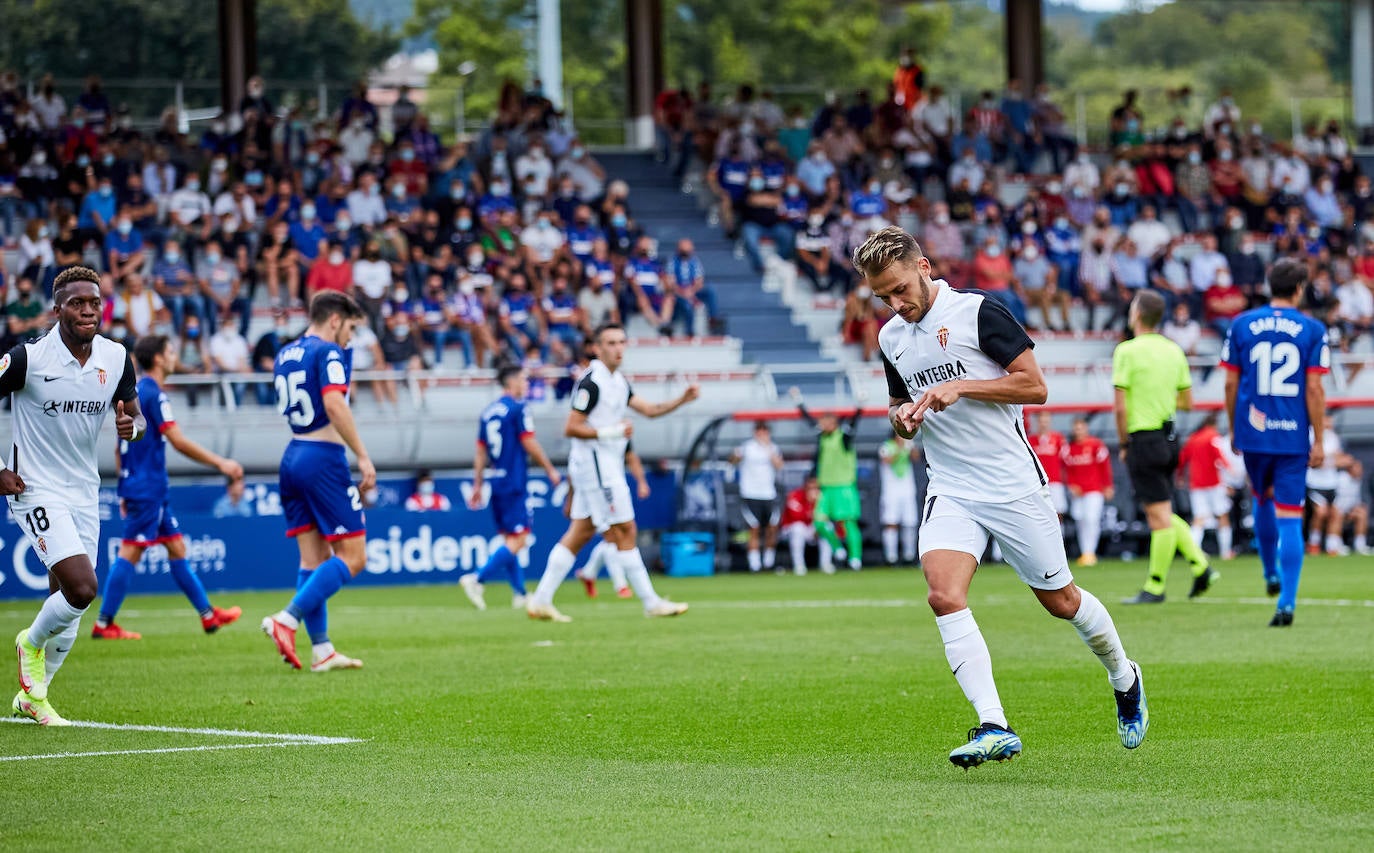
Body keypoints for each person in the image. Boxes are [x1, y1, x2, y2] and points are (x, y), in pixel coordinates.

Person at [857, 226, 1146, 768]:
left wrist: (961, 386)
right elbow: (900, 414)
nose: (895, 304)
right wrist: (902, 419)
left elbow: (1035, 387)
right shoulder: (891, 337)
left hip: (1011, 483)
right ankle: (995, 725)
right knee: (943, 594)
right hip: (951, 485)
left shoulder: (978, 311)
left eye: (899, 289)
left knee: (1061, 602)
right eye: (882, 297)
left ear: (923, 268)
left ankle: (1124, 675)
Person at [4, 266, 146, 726]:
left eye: (94, 303)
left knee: (70, 610)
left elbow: (137, 418)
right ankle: (28, 644)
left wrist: (132, 428)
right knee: (83, 589)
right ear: (57, 308)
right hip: (35, 487)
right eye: (77, 303)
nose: (88, 311)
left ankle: (34, 697)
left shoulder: (117, 357)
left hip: (84, 489)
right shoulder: (28, 359)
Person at [524, 323, 698, 622]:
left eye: (621, 342)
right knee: (625, 530)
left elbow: (650, 410)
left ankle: (540, 599)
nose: (618, 348)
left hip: (602, 465)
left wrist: (682, 400)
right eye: (611, 343)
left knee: (580, 533)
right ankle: (650, 601)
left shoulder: (618, 382)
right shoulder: (592, 382)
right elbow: (572, 427)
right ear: (597, 347)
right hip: (598, 467)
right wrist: (611, 431)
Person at [95, 334, 245, 640]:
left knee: (176, 547)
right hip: (147, 486)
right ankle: (104, 623)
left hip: (144, 485)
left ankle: (207, 615)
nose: (176, 355)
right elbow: (176, 440)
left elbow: (118, 446)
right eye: (172, 350)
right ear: (161, 359)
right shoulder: (155, 396)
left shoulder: (137, 393)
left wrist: (124, 484)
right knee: (131, 551)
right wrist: (222, 463)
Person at [260, 291, 373, 671]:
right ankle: (286, 619)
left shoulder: (286, 353)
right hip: (322, 457)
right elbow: (335, 403)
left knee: (314, 557)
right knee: (354, 557)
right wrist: (362, 454)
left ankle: (322, 649)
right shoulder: (327, 352)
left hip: (292, 454)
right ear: (336, 320)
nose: (350, 338)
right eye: (350, 328)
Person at [1220, 258, 1329, 626]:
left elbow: (1231, 383)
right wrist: (1319, 438)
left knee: (1260, 497)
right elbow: (1314, 388)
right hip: (1292, 435)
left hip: (1253, 430)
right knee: (1290, 516)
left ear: (1269, 286)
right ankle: (1286, 602)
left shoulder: (1242, 324)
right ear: (1299, 288)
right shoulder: (1313, 329)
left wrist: (1235, 427)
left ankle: (1269, 572)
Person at [1115, 290, 1217, 605]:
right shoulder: (1174, 351)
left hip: (1143, 438)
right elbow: (1187, 402)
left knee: (1157, 516)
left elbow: (1120, 408)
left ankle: (1155, 586)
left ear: (1137, 315)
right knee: (1162, 509)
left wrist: (1122, 443)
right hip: (1170, 439)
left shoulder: (1127, 351)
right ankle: (1200, 566)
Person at [460, 367, 562, 611]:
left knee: (510, 539)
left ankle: (520, 593)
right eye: (523, 379)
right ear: (512, 380)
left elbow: (480, 452)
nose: (526, 384)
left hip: (495, 480)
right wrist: (550, 469)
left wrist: (478, 483)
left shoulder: (488, 412)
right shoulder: (518, 408)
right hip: (514, 481)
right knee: (521, 538)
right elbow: (528, 441)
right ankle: (477, 578)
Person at [792, 387, 864, 572]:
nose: (822, 424)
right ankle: (837, 548)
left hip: (844, 486)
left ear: (834, 423)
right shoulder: (822, 437)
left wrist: (860, 406)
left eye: (826, 421)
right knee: (819, 521)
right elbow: (808, 421)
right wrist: (799, 402)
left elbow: (854, 424)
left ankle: (855, 558)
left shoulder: (844, 437)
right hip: (826, 487)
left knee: (849, 523)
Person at [575, 443, 651, 598]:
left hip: (608, 487)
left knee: (613, 537)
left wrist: (642, 482)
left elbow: (630, 455)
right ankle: (621, 586)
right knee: (614, 536)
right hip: (597, 488)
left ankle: (589, 573)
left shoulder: (619, 429)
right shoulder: (590, 432)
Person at [1177, 414, 1238, 561]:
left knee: (1199, 518)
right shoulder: (1212, 437)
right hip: (1213, 484)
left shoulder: (1193, 439)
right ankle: (1225, 552)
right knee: (1222, 515)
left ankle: (1193, 553)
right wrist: (1230, 469)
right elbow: (1219, 457)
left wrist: (1180, 476)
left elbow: (1182, 459)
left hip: (1196, 484)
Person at [729, 421, 784, 573]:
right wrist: (735, 456)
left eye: (764, 430)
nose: (762, 434)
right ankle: (755, 565)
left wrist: (767, 447)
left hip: (768, 494)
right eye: (759, 430)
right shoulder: (746, 447)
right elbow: (732, 461)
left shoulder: (773, 448)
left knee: (772, 529)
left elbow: (779, 465)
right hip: (750, 494)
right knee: (754, 528)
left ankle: (768, 562)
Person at [1063, 418, 1113, 566]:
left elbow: (1105, 467)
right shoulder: (1069, 448)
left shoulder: (1096, 445)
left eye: (1081, 427)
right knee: (1080, 520)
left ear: (1086, 428)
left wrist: (1108, 485)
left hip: (1094, 489)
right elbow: (1067, 470)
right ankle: (1085, 552)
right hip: (1078, 491)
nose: (1078, 431)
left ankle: (1090, 552)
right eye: (1076, 428)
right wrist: (1071, 485)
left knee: (1092, 519)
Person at [1303, 414, 1345, 556]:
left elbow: (1341, 459)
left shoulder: (1333, 437)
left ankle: (1332, 546)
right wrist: (1329, 460)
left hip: (1331, 483)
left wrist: (1327, 460)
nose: (1330, 423)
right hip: (1315, 483)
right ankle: (1314, 543)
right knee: (1321, 512)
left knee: (1336, 514)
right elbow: (1314, 463)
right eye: (1327, 420)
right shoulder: (1309, 435)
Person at [878, 432, 920, 565]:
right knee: (891, 522)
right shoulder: (886, 446)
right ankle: (891, 557)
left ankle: (909, 555)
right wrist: (900, 448)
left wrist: (910, 447)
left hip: (907, 491)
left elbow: (916, 458)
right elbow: (887, 460)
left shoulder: (909, 445)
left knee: (910, 523)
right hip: (891, 492)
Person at [780, 476, 830, 575]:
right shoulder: (795, 495)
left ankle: (825, 564)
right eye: (810, 487)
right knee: (798, 528)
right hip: (792, 529)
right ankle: (799, 566)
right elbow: (796, 517)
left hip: (812, 527)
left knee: (827, 527)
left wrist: (818, 524)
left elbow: (828, 515)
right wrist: (810, 505)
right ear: (805, 486)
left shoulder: (822, 496)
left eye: (815, 487)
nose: (813, 490)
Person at [1031, 412, 1068, 519]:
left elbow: (1066, 461)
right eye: (1041, 421)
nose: (1044, 424)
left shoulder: (1059, 439)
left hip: (1055, 481)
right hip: (1037, 483)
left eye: (1046, 421)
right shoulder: (1031, 440)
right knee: (1040, 512)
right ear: (1037, 423)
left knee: (1058, 511)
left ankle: (1060, 534)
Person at [1333, 459, 1371, 555]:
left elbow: (1357, 501)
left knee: (1362, 514)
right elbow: (1333, 499)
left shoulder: (1359, 481)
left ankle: (1360, 546)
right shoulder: (1339, 479)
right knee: (1337, 514)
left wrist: (1353, 511)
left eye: (1360, 468)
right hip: (1336, 510)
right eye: (1357, 468)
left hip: (1350, 511)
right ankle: (1334, 546)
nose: (1360, 470)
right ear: (1350, 469)